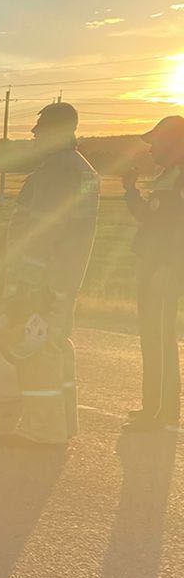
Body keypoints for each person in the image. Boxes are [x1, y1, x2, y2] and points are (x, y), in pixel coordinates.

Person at [0, 102, 99, 450]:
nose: (34, 133)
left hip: (41, 280)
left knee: (36, 350)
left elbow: (42, 231)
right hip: (64, 278)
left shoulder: (56, 170)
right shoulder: (81, 168)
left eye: (40, 127)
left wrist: (29, 286)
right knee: (55, 346)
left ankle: (42, 431)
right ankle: (62, 424)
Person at [121, 114, 184, 431]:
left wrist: (168, 267)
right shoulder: (167, 175)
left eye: (155, 141)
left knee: (159, 337)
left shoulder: (180, 177)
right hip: (154, 264)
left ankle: (162, 411)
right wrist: (130, 190)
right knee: (152, 336)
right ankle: (155, 406)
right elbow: (150, 217)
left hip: (164, 268)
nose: (150, 148)